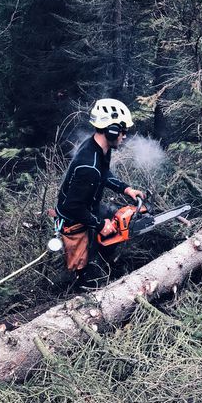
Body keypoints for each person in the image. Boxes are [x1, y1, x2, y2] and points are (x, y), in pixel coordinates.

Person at [55, 98, 144, 289]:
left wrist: (126, 189)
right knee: (85, 268)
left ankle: (109, 260)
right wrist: (99, 224)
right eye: (122, 131)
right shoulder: (89, 165)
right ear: (111, 130)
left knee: (115, 221)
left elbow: (104, 173)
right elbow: (72, 206)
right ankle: (82, 289)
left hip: (89, 206)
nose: (124, 136)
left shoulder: (99, 149)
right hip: (75, 218)